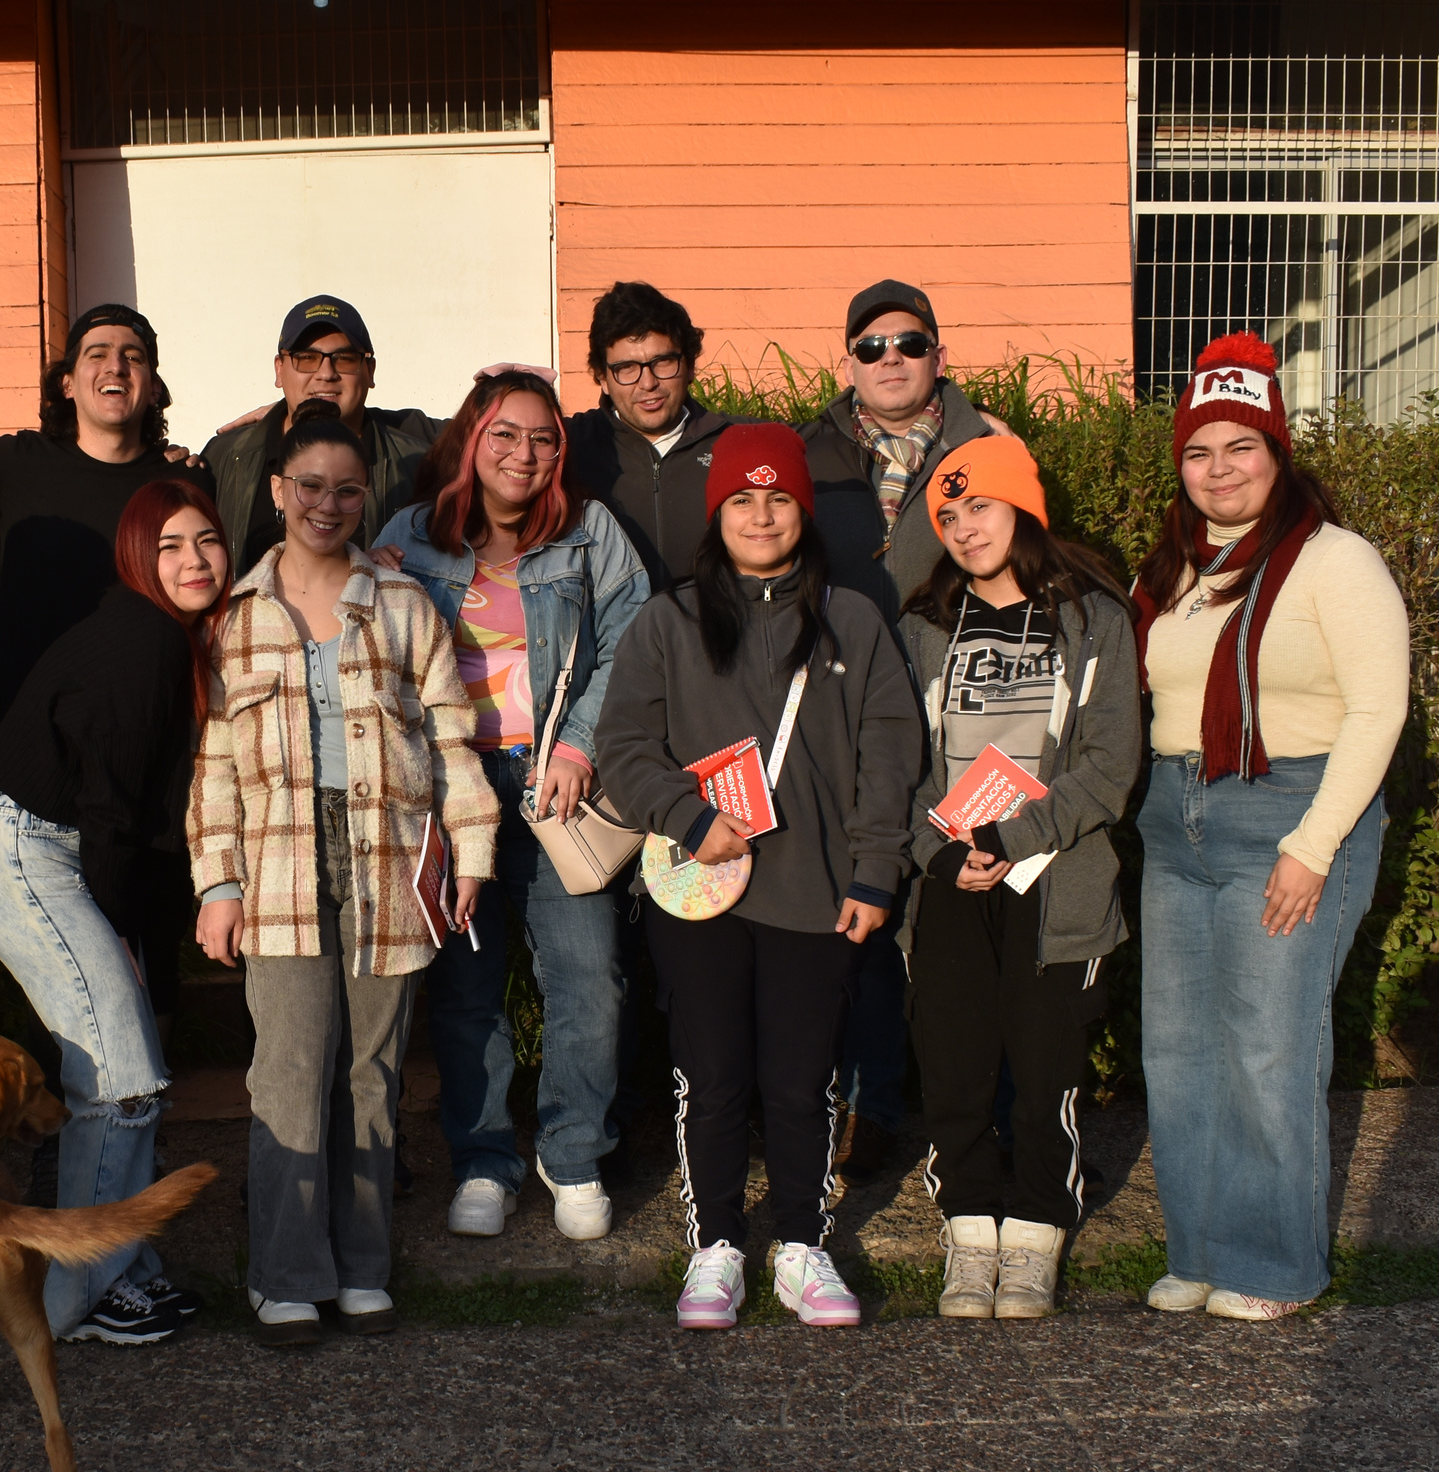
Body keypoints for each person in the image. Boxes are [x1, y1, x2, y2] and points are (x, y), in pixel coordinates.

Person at [595, 424, 923, 1333]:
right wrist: (689, 817)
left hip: (817, 890)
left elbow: (891, 755)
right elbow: (623, 744)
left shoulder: (852, 620)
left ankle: (802, 1246)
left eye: (779, 498)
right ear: (718, 514)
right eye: (742, 499)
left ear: (803, 512)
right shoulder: (669, 621)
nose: (762, 515)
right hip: (699, 890)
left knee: (801, 1081)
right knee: (712, 1077)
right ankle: (716, 1246)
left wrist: (876, 871)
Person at [189, 411, 498, 1348]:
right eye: (310, 487)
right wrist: (217, 885)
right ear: (278, 491)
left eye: (347, 490)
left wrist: (471, 852)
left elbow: (451, 737)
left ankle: (362, 1267)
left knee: (372, 1072)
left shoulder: (402, 605)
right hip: (278, 864)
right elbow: (213, 765)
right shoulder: (236, 617)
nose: (327, 505)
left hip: (387, 859)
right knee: (288, 1072)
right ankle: (285, 1276)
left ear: (367, 498)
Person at [1132, 335, 1408, 1323]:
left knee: (1267, 1052)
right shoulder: (1174, 569)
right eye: (1199, 452)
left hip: (1290, 815)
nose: (1220, 469)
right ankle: (1201, 1250)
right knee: (1178, 1052)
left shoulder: (1337, 561)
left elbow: (1377, 710)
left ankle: (1277, 1267)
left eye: (1240, 447)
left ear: (1277, 451)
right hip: (1176, 821)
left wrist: (1311, 845)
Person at [373, 372, 648, 1244]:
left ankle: (573, 1156)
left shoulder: (589, 533)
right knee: (467, 990)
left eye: (543, 438)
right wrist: (370, 582)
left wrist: (578, 747)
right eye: (505, 434)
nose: (524, 454)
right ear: (470, 439)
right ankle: (484, 1162)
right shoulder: (410, 536)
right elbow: (366, 650)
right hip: (450, 788)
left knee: (589, 979)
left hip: (554, 784)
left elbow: (633, 643)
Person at [0, 481, 229, 1347]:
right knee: (122, 1083)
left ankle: (124, 1273)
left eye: (206, 541)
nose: (193, 560)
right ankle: (74, 1300)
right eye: (169, 546)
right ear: (136, 558)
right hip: (29, 853)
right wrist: (119, 927)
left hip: (51, 853)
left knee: (124, 1074)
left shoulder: (165, 636)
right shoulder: (143, 638)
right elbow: (110, 804)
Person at [896, 435, 1142, 1323]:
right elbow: (901, 764)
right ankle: (969, 1231)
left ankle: (1037, 1234)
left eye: (981, 507)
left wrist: (1014, 834)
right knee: (955, 1069)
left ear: (1023, 509)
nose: (965, 528)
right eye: (948, 516)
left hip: (1056, 883)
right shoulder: (923, 627)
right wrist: (938, 850)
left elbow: (1110, 764)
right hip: (953, 882)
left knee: (1046, 1075)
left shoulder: (1093, 619)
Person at [796, 278, 1013, 1179]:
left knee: (970, 913)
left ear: (939, 356)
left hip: (964, 711)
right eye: (872, 346)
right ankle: (869, 1107)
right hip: (844, 720)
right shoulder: (806, 453)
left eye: (910, 343)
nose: (892, 359)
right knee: (863, 915)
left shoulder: (986, 445)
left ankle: (986, 1119)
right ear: (848, 361)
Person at [0, 303, 219, 726]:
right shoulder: (13, 464)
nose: (116, 367)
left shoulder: (186, 482)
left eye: (133, 357)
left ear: (154, 389)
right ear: (67, 383)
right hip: (28, 741)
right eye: (98, 354)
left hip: (149, 734)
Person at [203, 295, 441, 571]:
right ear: (279, 369)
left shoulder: (418, 464)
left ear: (370, 371)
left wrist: (374, 573)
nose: (326, 373)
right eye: (307, 358)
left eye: (345, 359)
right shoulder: (225, 457)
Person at [562, 280, 738, 589]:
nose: (647, 383)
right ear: (602, 377)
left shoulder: (737, 443)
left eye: (663, 362)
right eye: (627, 368)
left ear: (690, 366)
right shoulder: (566, 445)